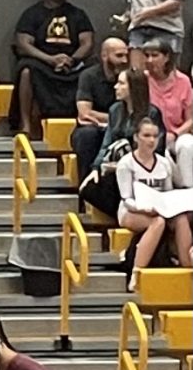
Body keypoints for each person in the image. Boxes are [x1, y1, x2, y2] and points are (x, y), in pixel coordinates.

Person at [11, 0, 95, 139]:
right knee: (26, 69)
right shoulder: (32, 14)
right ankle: (25, 125)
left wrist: (72, 59)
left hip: (72, 64)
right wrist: (50, 59)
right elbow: (23, 43)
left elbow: (87, 42)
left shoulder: (77, 14)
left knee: (92, 70)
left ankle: (85, 118)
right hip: (43, 63)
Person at [79, 67, 165, 221]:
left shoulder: (152, 113)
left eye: (121, 84)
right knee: (88, 189)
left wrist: (128, 163)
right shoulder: (115, 110)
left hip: (142, 167)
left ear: (133, 87)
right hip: (117, 166)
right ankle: (122, 213)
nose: (115, 87)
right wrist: (96, 168)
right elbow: (107, 143)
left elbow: (157, 148)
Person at [116, 118, 190, 288]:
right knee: (158, 222)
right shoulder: (126, 163)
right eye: (146, 135)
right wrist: (144, 208)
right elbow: (126, 198)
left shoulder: (164, 162)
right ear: (136, 137)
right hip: (133, 211)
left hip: (159, 207)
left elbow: (170, 191)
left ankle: (187, 265)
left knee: (181, 219)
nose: (151, 140)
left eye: (155, 136)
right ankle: (136, 272)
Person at [72, 37, 129, 184]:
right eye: (119, 56)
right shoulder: (88, 76)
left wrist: (107, 118)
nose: (124, 60)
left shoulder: (129, 77)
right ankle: (86, 188)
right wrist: (116, 117)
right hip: (93, 128)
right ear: (104, 56)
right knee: (86, 135)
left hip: (120, 127)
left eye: (126, 55)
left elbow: (134, 109)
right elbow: (85, 112)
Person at [143, 39, 193, 186]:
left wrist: (176, 134)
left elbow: (190, 119)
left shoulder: (183, 81)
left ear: (166, 57)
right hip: (153, 136)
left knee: (187, 145)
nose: (149, 60)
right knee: (161, 155)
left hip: (178, 134)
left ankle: (189, 190)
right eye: (146, 55)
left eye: (154, 55)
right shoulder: (142, 80)